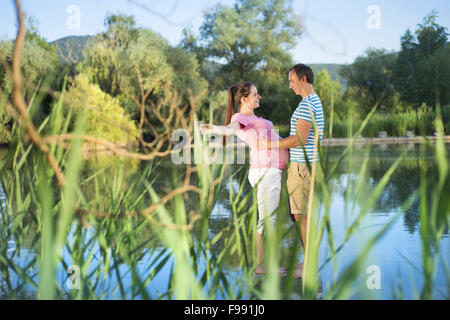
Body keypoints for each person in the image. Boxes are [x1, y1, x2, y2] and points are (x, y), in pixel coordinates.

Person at [200, 82, 288, 275]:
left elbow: (276, 140)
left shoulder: (253, 118)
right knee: (267, 220)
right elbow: (230, 129)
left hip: (269, 171)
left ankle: (263, 264)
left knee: (267, 219)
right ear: (244, 99)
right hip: (266, 170)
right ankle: (263, 266)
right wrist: (213, 128)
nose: (259, 97)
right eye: (256, 94)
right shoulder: (240, 117)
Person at [258, 64, 324, 278]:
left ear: (304, 79)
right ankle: (308, 263)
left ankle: (308, 266)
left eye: (292, 81)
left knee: (300, 215)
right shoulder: (312, 101)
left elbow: (300, 139)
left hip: (303, 166)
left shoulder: (308, 104)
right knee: (300, 215)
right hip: (306, 165)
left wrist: (269, 145)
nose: (290, 86)